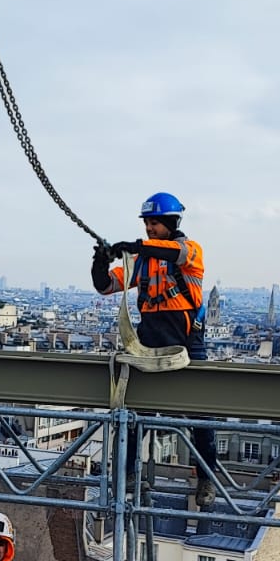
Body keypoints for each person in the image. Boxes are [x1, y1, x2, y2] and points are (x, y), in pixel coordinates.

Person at [90, 191, 220, 507]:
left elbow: (174, 253)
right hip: (150, 343)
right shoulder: (143, 262)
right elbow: (106, 286)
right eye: (147, 223)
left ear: (170, 223)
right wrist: (101, 261)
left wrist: (135, 247)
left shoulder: (190, 251)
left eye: (154, 223)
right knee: (136, 415)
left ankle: (206, 479)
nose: (149, 228)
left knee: (201, 418)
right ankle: (130, 474)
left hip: (187, 342)